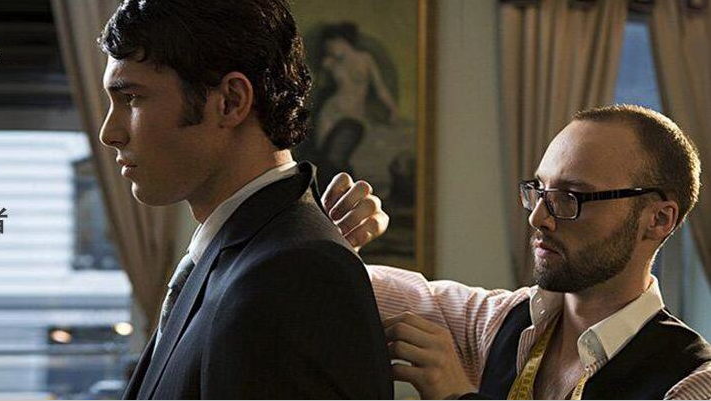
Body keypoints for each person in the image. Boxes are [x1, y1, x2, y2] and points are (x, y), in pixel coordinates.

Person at [97, 0, 392, 399]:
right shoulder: (242, 257)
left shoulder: (293, 274)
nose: (109, 133)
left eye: (132, 98)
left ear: (231, 101)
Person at [322, 104, 711, 399]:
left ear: (658, 219)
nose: (538, 217)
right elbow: (345, 285)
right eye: (538, 191)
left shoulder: (691, 383)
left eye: (571, 197)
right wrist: (333, 241)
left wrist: (459, 398)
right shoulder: (498, 322)